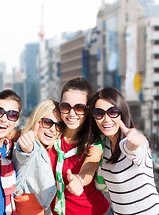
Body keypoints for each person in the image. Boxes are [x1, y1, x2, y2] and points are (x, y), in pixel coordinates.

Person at [89, 87, 159, 214]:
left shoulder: (132, 143)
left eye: (113, 112)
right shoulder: (103, 149)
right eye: (99, 113)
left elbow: (135, 148)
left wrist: (134, 143)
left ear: (122, 112)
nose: (106, 119)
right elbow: (102, 186)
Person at [48, 77, 111, 215]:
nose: (72, 113)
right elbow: (21, 133)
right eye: (65, 106)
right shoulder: (52, 134)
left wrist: (80, 180)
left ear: (88, 110)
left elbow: (90, 165)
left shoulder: (93, 142)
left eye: (79, 108)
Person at [12, 99, 66, 215]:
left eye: (59, 125)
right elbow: (24, 156)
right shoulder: (33, 145)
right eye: (47, 122)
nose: (53, 129)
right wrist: (26, 148)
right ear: (37, 120)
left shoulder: (55, 148)